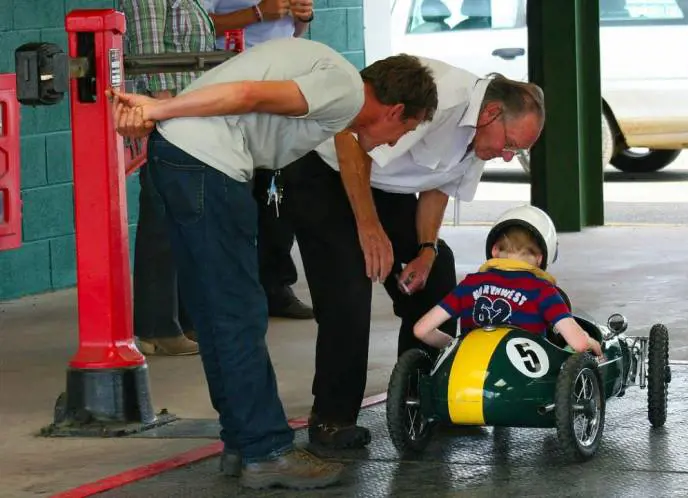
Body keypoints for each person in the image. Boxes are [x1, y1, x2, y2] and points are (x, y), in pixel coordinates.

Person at [109, 39, 438, 490]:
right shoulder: (345, 89)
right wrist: (156, 109)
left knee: (215, 312)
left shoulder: (335, 83)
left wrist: (162, 112)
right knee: (239, 313)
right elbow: (247, 94)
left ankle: (243, 442)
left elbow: (247, 94)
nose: (396, 142)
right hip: (208, 164)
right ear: (395, 109)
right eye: (405, 129)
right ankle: (266, 451)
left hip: (182, 158)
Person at [281, 59, 546, 449]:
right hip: (327, 173)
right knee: (349, 284)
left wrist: (425, 250)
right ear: (491, 113)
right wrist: (369, 228)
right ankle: (332, 420)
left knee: (438, 271)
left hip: (386, 188)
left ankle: (425, 399)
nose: (507, 156)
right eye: (510, 145)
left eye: (517, 151)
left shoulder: (483, 136)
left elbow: (439, 185)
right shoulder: (441, 98)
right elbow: (351, 138)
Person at [203, 0, 316, 319]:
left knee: (277, 195)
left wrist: (303, 15)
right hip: (232, 84)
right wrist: (257, 13)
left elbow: (294, 30)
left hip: (281, 83)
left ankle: (275, 287)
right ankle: (233, 293)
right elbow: (201, 26)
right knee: (234, 197)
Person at [121, 0, 217, 356]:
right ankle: (157, 326)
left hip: (185, 113)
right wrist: (166, 116)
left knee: (179, 218)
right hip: (170, 117)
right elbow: (151, 55)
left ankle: (182, 320)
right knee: (161, 221)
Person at [413, 204, 604, 360]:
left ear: (495, 250)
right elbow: (578, 344)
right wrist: (590, 342)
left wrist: (454, 346)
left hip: (467, 374)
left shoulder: (470, 284)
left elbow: (421, 330)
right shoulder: (543, 291)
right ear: (540, 259)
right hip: (524, 384)